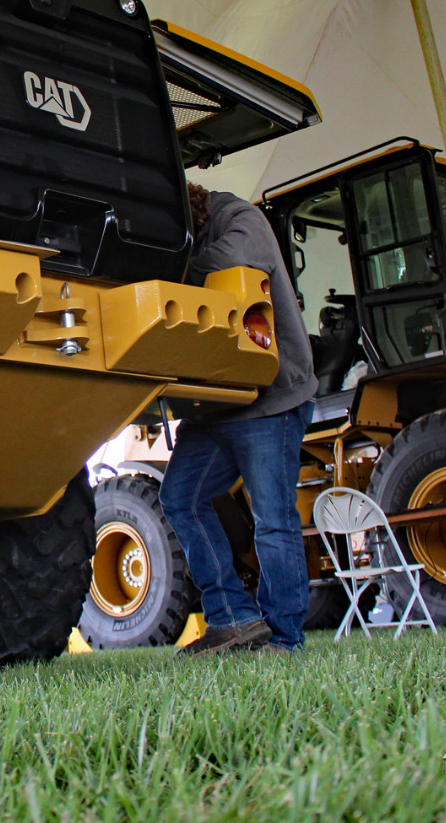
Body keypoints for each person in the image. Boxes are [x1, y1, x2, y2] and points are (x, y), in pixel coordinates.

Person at [158, 182, 315, 656]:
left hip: (269, 400)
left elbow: (240, 257)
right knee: (180, 498)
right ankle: (233, 617)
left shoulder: (238, 217)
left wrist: (170, 264)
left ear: (189, 210)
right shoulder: (195, 230)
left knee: (273, 519)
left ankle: (285, 639)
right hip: (213, 404)